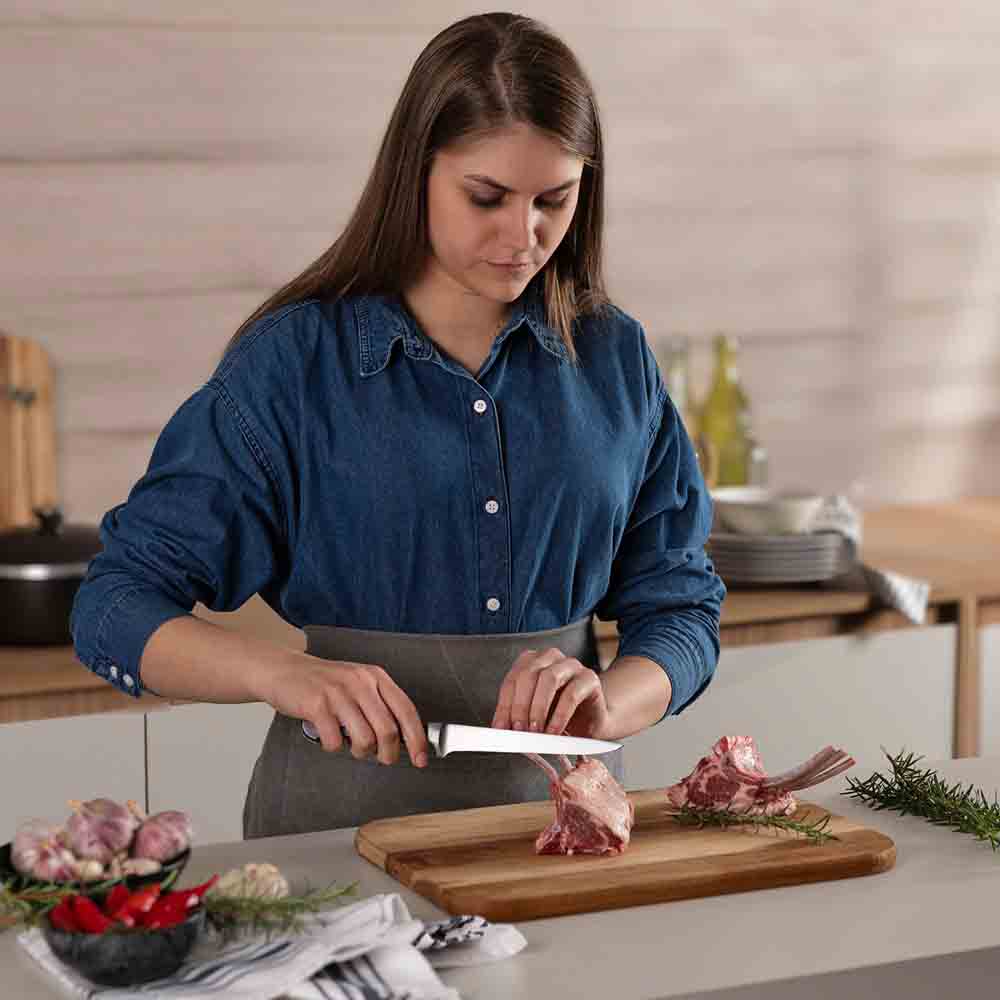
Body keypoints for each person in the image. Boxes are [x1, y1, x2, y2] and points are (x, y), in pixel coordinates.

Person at [70, 12, 726, 839]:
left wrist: (611, 702)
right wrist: (285, 675)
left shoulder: (614, 356)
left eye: (553, 200)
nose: (523, 237)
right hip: (333, 844)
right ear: (415, 171)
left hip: (566, 840)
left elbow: (682, 606)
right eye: (486, 197)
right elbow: (114, 607)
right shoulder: (292, 367)